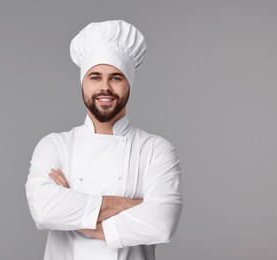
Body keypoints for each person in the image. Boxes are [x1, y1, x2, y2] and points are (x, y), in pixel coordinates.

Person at [25, 20, 183, 260]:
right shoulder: (54, 145)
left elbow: (161, 223)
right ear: (83, 84)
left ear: (129, 84)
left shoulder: (156, 149)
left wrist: (70, 209)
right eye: (95, 77)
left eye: (116, 78)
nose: (105, 87)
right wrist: (129, 205)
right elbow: (44, 210)